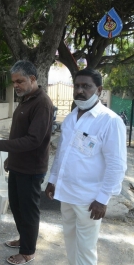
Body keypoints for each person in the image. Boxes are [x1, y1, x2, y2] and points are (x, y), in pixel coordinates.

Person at [45, 68, 127, 265]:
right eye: (77, 86)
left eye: (86, 86)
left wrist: (102, 199)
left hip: (89, 199)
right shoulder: (71, 117)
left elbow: (116, 165)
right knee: (70, 241)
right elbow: (62, 154)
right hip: (66, 193)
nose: (80, 90)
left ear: (98, 90)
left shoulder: (110, 121)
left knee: (86, 249)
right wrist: (52, 180)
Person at [0, 60, 53, 265]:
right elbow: (19, 135)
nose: (16, 86)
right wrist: (9, 159)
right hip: (17, 165)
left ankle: (28, 252)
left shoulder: (42, 103)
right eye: (14, 82)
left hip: (31, 169)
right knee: (17, 207)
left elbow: (33, 140)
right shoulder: (27, 99)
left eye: (20, 81)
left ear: (32, 79)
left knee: (28, 211)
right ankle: (24, 240)